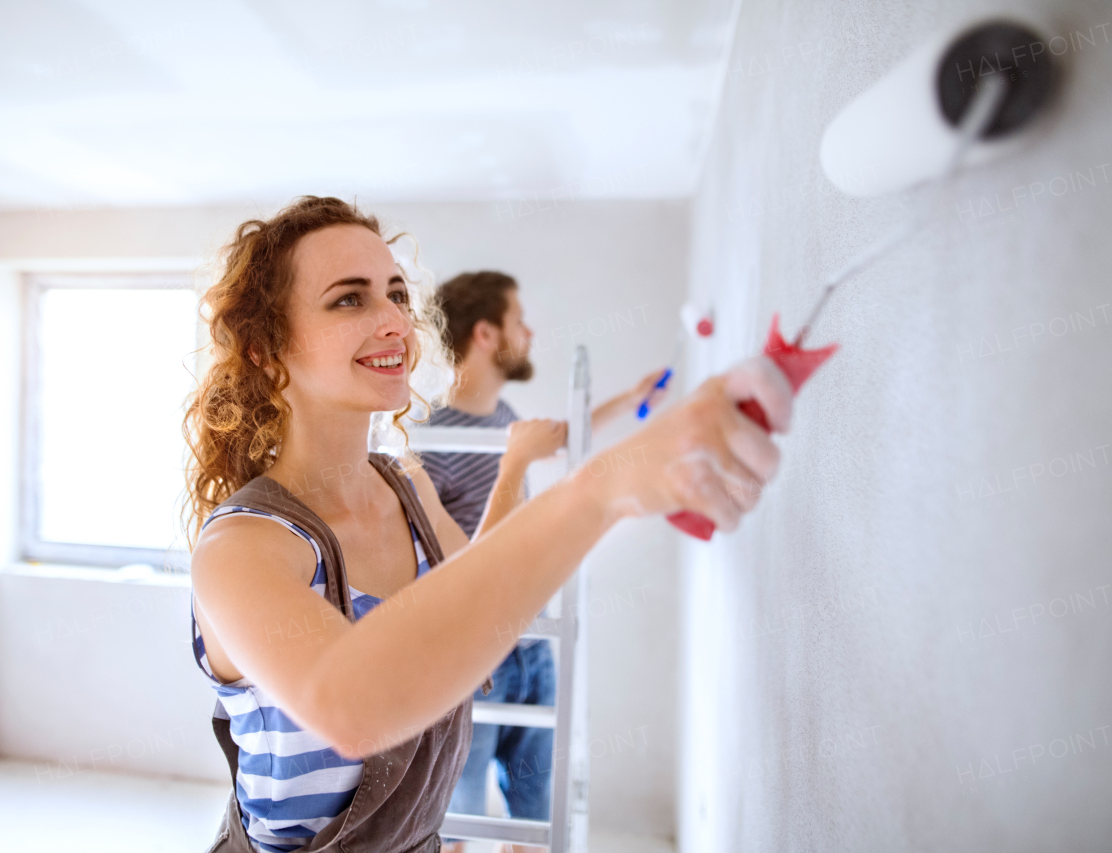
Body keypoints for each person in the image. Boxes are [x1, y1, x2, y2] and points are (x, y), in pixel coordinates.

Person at [184, 196, 793, 853]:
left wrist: (636, 490)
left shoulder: (406, 483)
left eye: (395, 293)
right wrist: (600, 487)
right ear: (267, 350)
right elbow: (353, 706)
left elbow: (485, 592)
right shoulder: (241, 545)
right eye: (349, 299)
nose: (394, 319)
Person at [423, 271, 667, 850]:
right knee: (456, 818)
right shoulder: (432, 437)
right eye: (518, 321)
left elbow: (557, 436)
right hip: (477, 663)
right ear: (486, 333)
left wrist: (632, 400)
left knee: (534, 819)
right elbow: (443, 566)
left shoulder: (504, 415)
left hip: (533, 648)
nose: (529, 333)